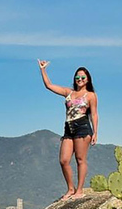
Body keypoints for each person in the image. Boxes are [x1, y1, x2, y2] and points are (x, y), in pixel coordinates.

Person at [38, 60, 99, 200]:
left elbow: (94, 114)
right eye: (77, 77)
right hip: (69, 128)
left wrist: (95, 132)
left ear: (88, 79)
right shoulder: (68, 92)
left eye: (83, 77)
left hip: (82, 127)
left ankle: (79, 190)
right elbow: (49, 86)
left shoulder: (90, 95)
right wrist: (43, 70)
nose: (80, 80)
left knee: (80, 159)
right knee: (64, 160)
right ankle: (70, 188)